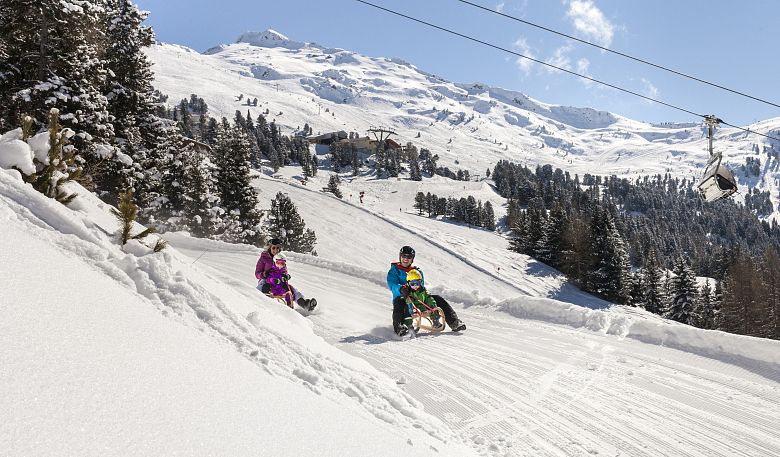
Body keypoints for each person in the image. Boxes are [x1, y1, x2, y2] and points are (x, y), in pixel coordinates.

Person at [386, 245, 466, 336]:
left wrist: (419, 294)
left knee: (438, 299)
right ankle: (399, 328)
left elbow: (421, 285)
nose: (406, 259)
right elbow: (392, 285)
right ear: (400, 257)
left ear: (412, 259)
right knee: (399, 304)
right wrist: (401, 289)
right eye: (404, 256)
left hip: (417, 298)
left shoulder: (416, 271)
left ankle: (454, 322)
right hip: (402, 297)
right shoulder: (394, 271)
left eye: (409, 257)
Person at [255, 239, 316, 311]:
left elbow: (284, 271)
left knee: (292, 290)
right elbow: (257, 274)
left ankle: (305, 304)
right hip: (266, 280)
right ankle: (255, 298)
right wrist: (264, 274)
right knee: (263, 285)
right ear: (270, 248)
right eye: (273, 248)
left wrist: (285, 278)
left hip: (278, 281)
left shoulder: (281, 258)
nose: (275, 250)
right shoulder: (264, 258)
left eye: (277, 248)